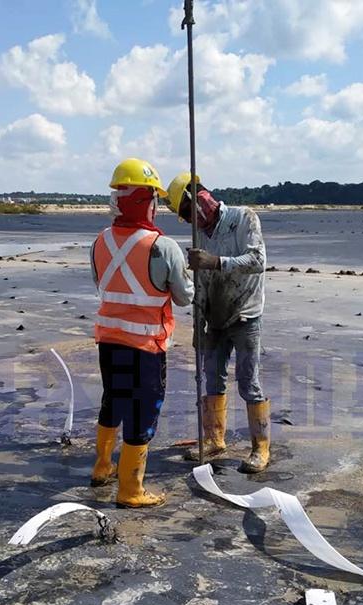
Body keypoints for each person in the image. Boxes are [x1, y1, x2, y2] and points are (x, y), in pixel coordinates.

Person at [90, 158, 194, 507]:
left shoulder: (99, 242)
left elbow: (102, 284)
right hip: (146, 346)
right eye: (153, 199)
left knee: (112, 400)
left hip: (109, 341)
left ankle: (102, 466)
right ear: (145, 200)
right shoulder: (162, 247)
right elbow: (183, 297)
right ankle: (131, 489)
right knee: (142, 411)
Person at [166, 172, 271, 473]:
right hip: (215, 317)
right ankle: (214, 439)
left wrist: (217, 261)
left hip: (246, 314)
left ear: (198, 200)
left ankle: (260, 448)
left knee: (248, 382)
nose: (188, 221)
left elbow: (257, 261)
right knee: (212, 378)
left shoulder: (244, 219)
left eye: (187, 213)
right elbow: (200, 283)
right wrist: (198, 323)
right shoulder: (200, 235)